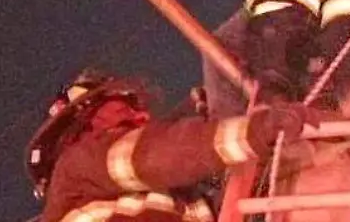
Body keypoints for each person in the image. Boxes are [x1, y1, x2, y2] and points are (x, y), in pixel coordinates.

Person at [25, 69, 313, 222]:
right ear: (86, 118)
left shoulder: (169, 196)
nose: (141, 114)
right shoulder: (79, 165)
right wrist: (254, 130)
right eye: (125, 104)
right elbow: (156, 154)